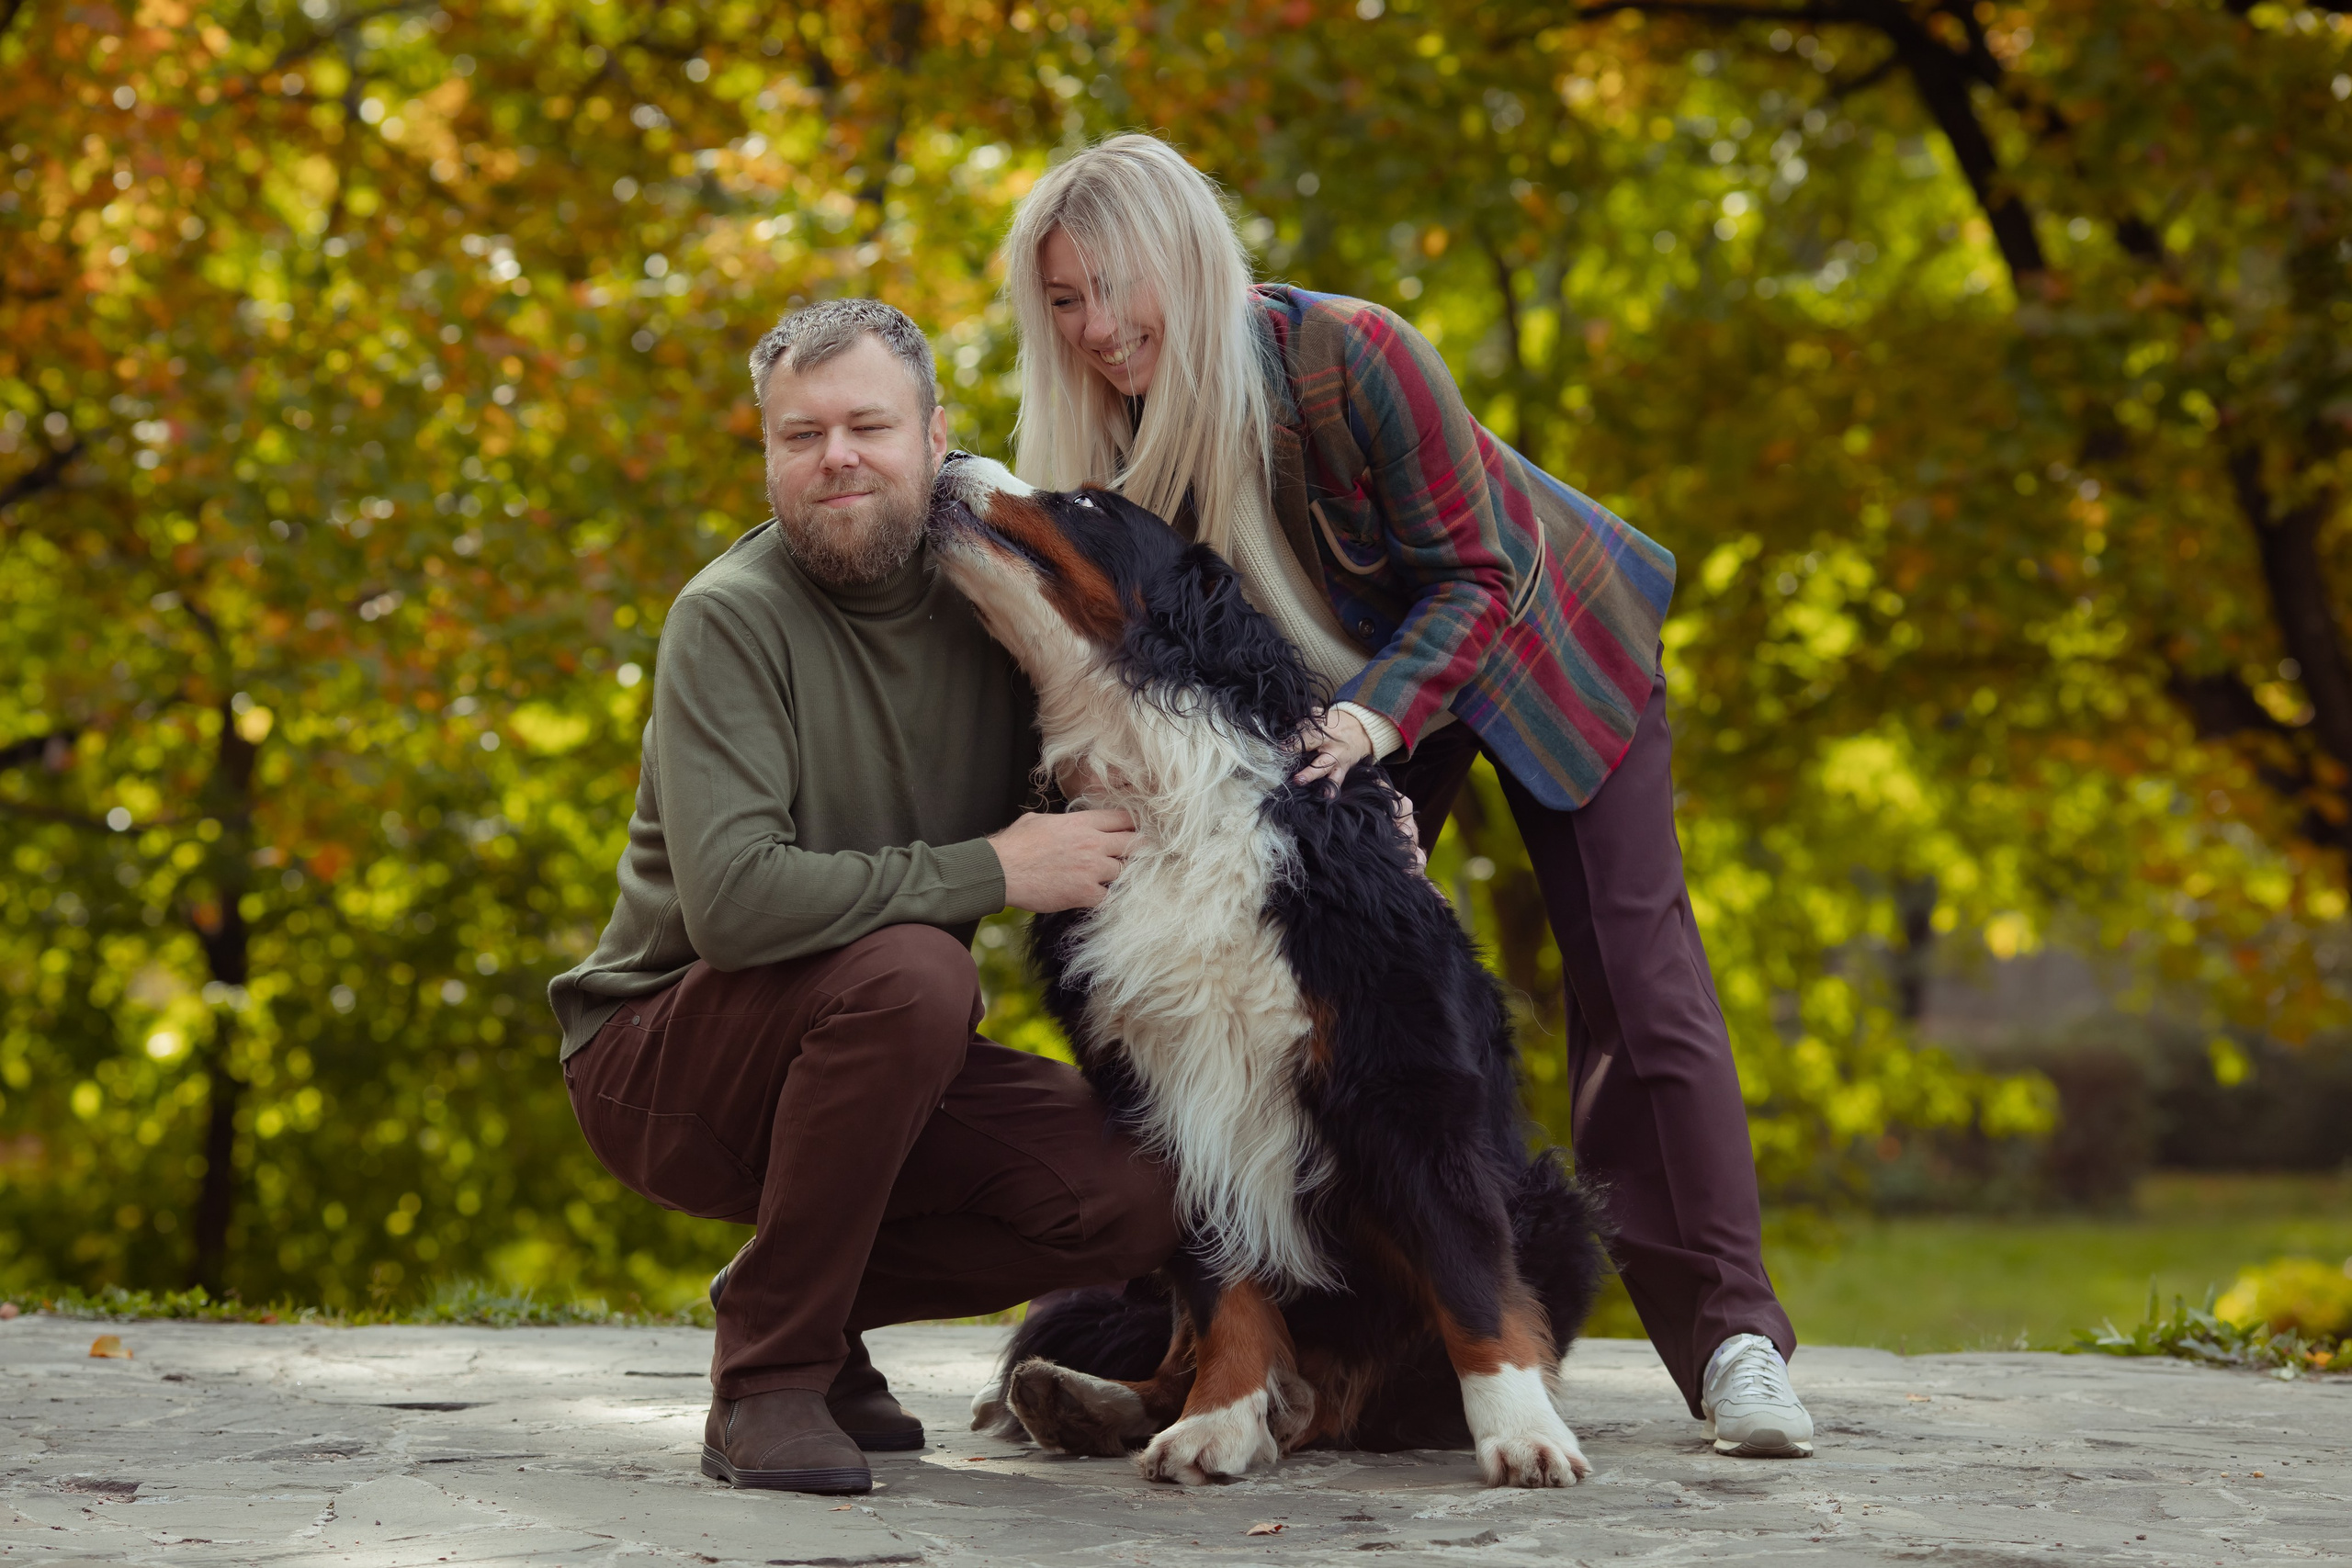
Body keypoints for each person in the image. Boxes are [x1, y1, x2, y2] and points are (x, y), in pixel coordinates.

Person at [1000, 133, 1814, 1459]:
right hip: (1346, 713)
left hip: (1535, 640)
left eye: (1111, 287)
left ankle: (1734, 1346)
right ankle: (1244, 1357)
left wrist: (1379, 727)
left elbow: (1476, 575)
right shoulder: (1119, 430)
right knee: (1324, 1008)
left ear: (1187, 264)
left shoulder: (1355, 352)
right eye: (1063, 302)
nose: (1092, 329)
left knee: (1636, 983)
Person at [547, 299, 1182, 1495]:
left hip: (882, 1052)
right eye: (801, 435)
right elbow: (732, 906)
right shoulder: (730, 620)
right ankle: (768, 1386)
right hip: (663, 1056)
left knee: (1139, 1189)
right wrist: (999, 867)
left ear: (936, 437)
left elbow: (1152, 742)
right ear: (772, 456)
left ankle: (799, 1309)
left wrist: (1342, 781)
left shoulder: (995, 612)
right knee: (919, 970)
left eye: (867, 426)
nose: (835, 456)